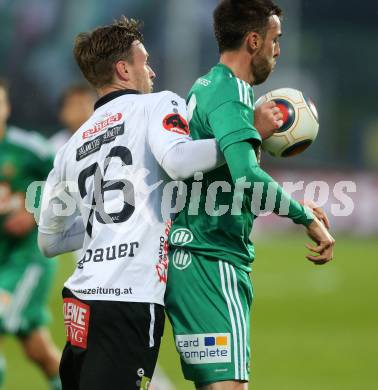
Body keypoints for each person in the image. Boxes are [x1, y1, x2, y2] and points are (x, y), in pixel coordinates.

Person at [37, 16, 282, 390]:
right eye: (144, 61)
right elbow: (179, 160)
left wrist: (101, 225)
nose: (150, 70)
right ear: (123, 69)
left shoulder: (71, 145)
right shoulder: (155, 105)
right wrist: (248, 136)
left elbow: (49, 241)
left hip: (80, 301)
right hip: (129, 299)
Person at [165, 1, 335, 389]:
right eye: (275, 40)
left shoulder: (206, 84)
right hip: (214, 260)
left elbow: (227, 174)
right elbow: (246, 176)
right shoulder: (232, 93)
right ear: (253, 41)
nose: (278, 50)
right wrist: (304, 218)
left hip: (193, 257)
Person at [0, 79, 61, 390]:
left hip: (26, 258)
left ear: (7, 108)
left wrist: (33, 209)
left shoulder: (30, 149)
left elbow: (67, 181)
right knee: (38, 351)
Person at [50, 84, 97, 153]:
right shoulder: (54, 148)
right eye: (75, 104)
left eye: (88, 102)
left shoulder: (112, 135)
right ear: (62, 114)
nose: (83, 110)